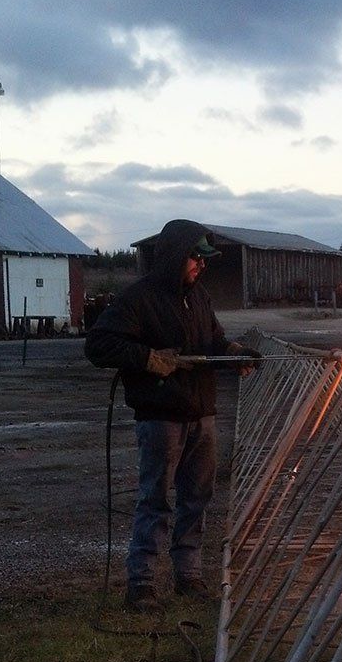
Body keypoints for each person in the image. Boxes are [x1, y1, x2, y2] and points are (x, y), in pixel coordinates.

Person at [85, 219, 259, 611]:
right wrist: (147, 359)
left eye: (204, 258)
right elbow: (98, 344)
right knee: (155, 499)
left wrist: (234, 354)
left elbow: (212, 341)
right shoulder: (139, 298)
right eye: (196, 257)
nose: (202, 265)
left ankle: (189, 576)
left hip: (202, 413)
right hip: (161, 417)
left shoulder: (198, 297)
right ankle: (142, 583)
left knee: (196, 497)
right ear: (176, 256)